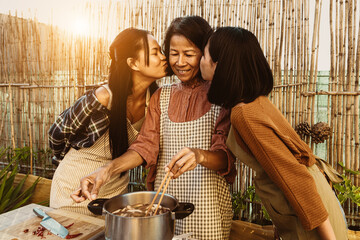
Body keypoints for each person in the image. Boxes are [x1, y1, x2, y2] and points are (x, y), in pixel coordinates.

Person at [71, 16, 236, 240]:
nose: (179, 62)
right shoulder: (162, 96)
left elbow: (226, 159)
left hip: (208, 204)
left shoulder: (220, 97)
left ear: (205, 53)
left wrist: (199, 156)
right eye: (173, 53)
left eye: (189, 54)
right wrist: (107, 170)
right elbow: (145, 147)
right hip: (163, 205)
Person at [201, 26, 348, 240]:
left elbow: (295, 178)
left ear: (218, 64)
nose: (200, 61)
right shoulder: (255, 102)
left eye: (204, 55)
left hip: (311, 218)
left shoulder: (244, 115)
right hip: (311, 206)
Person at [48, 28, 167, 215]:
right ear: (133, 63)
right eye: (155, 52)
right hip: (74, 189)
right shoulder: (103, 98)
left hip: (115, 192)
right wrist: (65, 164)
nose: (163, 57)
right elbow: (58, 133)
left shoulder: (154, 100)